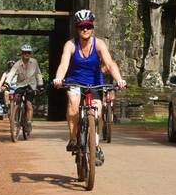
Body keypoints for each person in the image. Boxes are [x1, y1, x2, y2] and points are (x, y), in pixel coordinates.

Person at [53, 9, 126, 164]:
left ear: (92, 27)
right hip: (74, 82)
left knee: (98, 112)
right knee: (73, 105)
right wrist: (59, 78)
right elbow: (64, 64)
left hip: (95, 83)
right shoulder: (71, 45)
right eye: (81, 26)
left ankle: (95, 146)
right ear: (77, 28)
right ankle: (73, 138)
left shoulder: (99, 44)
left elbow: (109, 63)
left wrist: (119, 79)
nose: (85, 29)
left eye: (88, 26)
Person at [0, 44, 43, 133]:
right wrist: (7, 84)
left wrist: (40, 85)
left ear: (30, 54)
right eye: (24, 52)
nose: (26, 54)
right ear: (21, 54)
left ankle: (29, 122)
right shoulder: (17, 64)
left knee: (28, 104)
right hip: (20, 85)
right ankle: (16, 114)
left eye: (28, 52)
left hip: (31, 85)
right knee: (16, 99)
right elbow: (11, 74)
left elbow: (38, 74)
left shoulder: (34, 62)